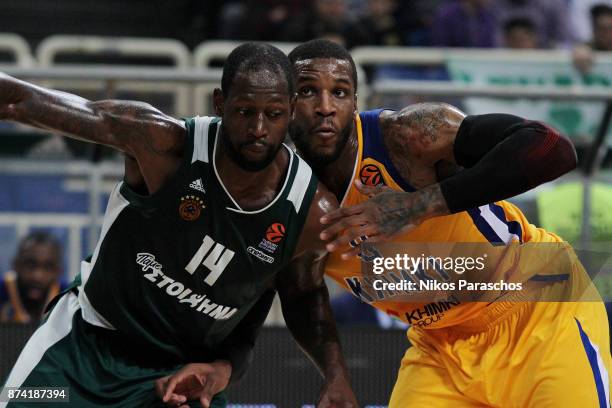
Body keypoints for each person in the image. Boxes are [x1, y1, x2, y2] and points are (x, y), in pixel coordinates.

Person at [0, 43, 357, 408]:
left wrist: (336, 377)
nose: (258, 129)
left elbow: (302, 295)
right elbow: (21, 101)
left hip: (181, 380)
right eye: (245, 112)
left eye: (275, 114)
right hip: (84, 345)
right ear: (220, 103)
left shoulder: (311, 210)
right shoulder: (162, 143)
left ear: (292, 109)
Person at [288, 39, 610, 407]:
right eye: (308, 91)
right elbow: (301, 292)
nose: (325, 107)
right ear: (286, 103)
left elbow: (553, 148)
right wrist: (336, 377)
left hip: (538, 310)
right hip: (439, 345)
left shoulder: (406, 137)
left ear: (356, 102)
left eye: (340, 92)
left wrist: (417, 206)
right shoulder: (287, 198)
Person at [0, 231, 66, 323]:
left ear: (58, 271)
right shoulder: (3, 290)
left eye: (48, 267)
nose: (37, 276)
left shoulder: (68, 297)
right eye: (30, 265)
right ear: (15, 265)